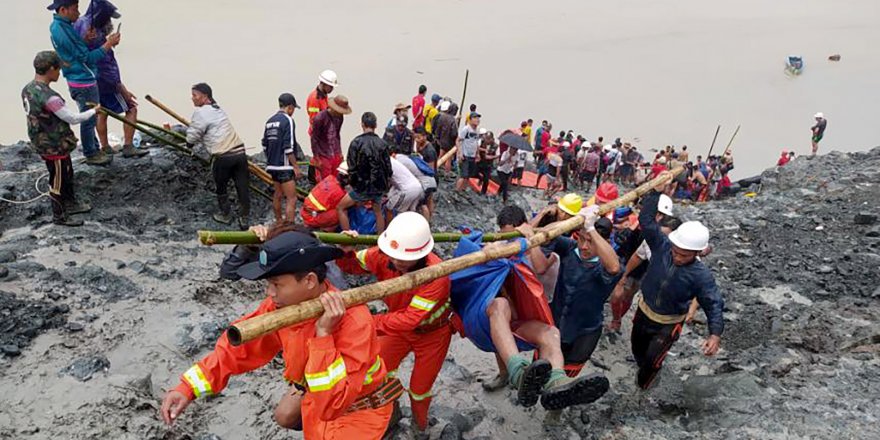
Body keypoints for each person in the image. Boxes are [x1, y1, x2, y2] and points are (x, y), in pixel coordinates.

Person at [160, 229, 398, 439]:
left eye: (277, 284)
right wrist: (187, 388)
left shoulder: (354, 321)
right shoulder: (280, 307)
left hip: (357, 410)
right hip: (317, 397)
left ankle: (391, 417)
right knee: (287, 416)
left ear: (309, 281)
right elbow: (237, 350)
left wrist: (323, 335)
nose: (269, 292)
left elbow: (332, 405)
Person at [337, 213, 452, 435]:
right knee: (378, 372)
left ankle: (420, 427)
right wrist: (344, 250)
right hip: (396, 328)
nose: (397, 261)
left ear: (423, 253)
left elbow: (410, 319)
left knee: (419, 389)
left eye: (403, 258)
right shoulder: (382, 255)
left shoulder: (437, 275)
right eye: (393, 255)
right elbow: (351, 266)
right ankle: (391, 413)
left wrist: (366, 322)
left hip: (432, 334)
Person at [633, 183, 724, 389]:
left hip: (667, 324)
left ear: (697, 253)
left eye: (684, 255)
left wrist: (715, 334)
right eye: (676, 251)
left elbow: (713, 303)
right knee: (638, 350)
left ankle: (642, 389)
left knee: (651, 361)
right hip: (644, 312)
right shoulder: (661, 246)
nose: (678, 257)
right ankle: (645, 370)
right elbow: (646, 221)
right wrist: (656, 192)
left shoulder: (701, 276)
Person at [520, 206, 622, 379]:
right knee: (540, 366)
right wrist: (572, 221)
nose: (584, 246)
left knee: (567, 376)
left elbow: (614, 267)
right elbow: (547, 233)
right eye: (582, 239)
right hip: (556, 320)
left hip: (584, 331)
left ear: (603, 242)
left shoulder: (609, 264)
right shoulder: (569, 248)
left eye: (591, 241)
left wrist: (590, 228)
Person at [21, 50, 95, 226]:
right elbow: (72, 118)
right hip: (54, 145)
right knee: (58, 179)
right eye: (58, 69)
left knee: (67, 171)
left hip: (40, 140)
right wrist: (94, 111)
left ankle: (71, 202)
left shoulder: (27, 89)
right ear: (51, 69)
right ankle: (59, 216)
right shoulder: (50, 97)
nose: (59, 73)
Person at [49, 0, 120, 166]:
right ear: (63, 9)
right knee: (88, 118)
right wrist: (108, 44)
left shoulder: (60, 26)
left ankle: (93, 149)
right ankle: (91, 153)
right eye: (75, 9)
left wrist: (85, 40)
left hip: (76, 77)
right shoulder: (61, 30)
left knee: (90, 116)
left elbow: (75, 52)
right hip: (82, 80)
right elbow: (87, 58)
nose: (78, 13)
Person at [73, 0, 148, 159]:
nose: (110, 22)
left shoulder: (81, 24)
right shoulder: (95, 33)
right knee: (131, 107)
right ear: (101, 15)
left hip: (90, 80)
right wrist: (121, 88)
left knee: (102, 111)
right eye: (108, 18)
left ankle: (105, 146)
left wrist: (109, 43)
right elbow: (106, 65)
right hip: (105, 81)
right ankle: (128, 146)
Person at [186, 83, 250, 229]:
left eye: (195, 95)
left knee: (221, 185)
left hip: (224, 156)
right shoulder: (217, 109)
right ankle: (244, 218)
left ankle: (225, 214)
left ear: (205, 97)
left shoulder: (201, 112)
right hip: (240, 152)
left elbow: (193, 134)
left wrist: (188, 145)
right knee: (242, 186)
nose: (192, 98)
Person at [608, 194, 675, 331]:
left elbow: (640, 256)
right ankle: (615, 317)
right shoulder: (635, 221)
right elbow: (622, 240)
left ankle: (617, 319)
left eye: (662, 215)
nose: (659, 218)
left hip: (642, 268)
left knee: (628, 294)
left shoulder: (662, 234)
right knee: (616, 294)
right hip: (623, 257)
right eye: (657, 214)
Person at [337, 112, 392, 233]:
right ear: (376, 125)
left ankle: (347, 238)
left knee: (341, 207)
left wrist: (353, 184)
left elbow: (351, 167)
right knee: (378, 212)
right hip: (378, 187)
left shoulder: (356, 142)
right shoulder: (383, 144)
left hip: (361, 187)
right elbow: (388, 168)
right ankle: (379, 241)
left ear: (362, 124)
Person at [262, 93, 304, 223]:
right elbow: (288, 147)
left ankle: (279, 222)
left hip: (272, 165)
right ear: (290, 107)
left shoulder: (270, 121)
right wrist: (296, 167)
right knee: (292, 198)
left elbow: (264, 144)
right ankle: (289, 226)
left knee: (278, 195)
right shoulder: (288, 120)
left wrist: (270, 159)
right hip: (284, 166)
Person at [311, 95, 351, 182]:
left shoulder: (340, 117)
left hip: (335, 151)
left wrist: (340, 152)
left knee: (336, 180)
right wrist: (316, 158)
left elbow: (337, 134)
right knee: (325, 181)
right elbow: (314, 139)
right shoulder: (320, 118)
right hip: (323, 153)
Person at [301, 163, 349, 231]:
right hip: (312, 217)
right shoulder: (339, 192)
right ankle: (326, 229)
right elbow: (341, 208)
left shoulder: (329, 178)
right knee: (343, 210)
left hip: (305, 213)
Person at [394, 148, 437, 221]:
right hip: (431, 181)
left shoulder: (398, 161)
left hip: (424, 183)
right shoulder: (407, 158)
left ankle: (426, 224)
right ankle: (430, 222)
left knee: (422, 205)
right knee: (428, 201)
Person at [455, 112, 481, 191]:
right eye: (475, 118)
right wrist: (460, 153)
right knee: (463, 176)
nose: (477, 120)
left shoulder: (477, 130)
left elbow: (476, 143)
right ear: (470, 119)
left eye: (478, 118)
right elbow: (458, 140)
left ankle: (463, 190)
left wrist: (477, 154)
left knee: (468, 176)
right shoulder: (466, 129)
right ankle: (457, 191)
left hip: (472, 156)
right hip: (465, 155)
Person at [307, 70, 337, 134]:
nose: (332, 89)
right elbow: (314, 121)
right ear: (324, 84)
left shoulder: (324, 95)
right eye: (331, 87)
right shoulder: (314, 99)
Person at [431, 101, 458, 173]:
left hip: (442, 141)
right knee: (448, 159)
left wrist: (438, 137)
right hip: (450, 142)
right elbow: (454, 133)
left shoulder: (442, 117)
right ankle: (447, 173)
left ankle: (435, 169)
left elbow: (438, 128)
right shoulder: (453, 120)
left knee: (440, 156)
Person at [476, 130, 499, 195]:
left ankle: (483, 192)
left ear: (492, 139)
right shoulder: (481, 142)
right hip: (480, 162)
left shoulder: (495, 145)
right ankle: (480, 178)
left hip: (488, 164)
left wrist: (496, 157)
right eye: (486, 138)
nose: (487, 140)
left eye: (488, 139)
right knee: (473, 173)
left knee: (486, 179)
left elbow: (491, 156)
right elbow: (476, 148)